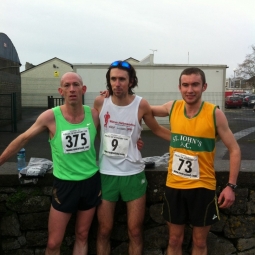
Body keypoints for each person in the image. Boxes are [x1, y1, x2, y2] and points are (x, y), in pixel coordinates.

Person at [0, 72, 101, 255]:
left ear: (83, 89)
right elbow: (23, 138)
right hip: (64, 185)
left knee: (82, 234)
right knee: (54, 243)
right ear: (60, 91)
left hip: (91, 183)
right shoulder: (50, 117)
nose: (72, 89)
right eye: (67, 85)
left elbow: (119, 123)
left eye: (76, 84)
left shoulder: (94, 115)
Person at [151, 67, 241, 255]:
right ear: (179, 87)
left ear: (204, 86)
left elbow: (234, 149)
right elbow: (143, 109)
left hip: (203, 187)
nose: (189, 89)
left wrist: (231, 186)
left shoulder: (214, 114)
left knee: (199, 243)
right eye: (185, 85)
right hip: (174, 185)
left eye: (195, 84)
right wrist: (113, 97)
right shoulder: (172, 107)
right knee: (175, 240)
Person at [94, 60, 171, 255]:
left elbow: (158, 130)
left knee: (135, 231)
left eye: (122, 79)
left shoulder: (141, 104)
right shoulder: (100, 102)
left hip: (133, 174)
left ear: (131, 81)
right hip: (106, 174)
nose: (117, 83)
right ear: (108, 81)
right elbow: (87, 132)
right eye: (113, 79)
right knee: (104, 230)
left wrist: (187, 141)